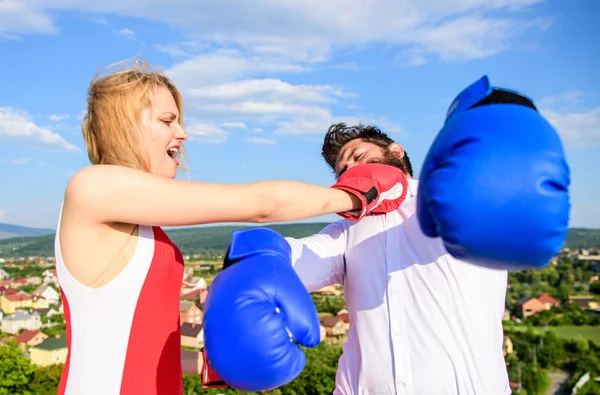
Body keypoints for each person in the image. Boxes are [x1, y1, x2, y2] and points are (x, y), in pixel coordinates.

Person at [53, 58, 408, 395]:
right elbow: (261, 206)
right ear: (125, 123)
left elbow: (129, 345)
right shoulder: (92, 187)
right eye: (167, 121)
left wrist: (216, 364)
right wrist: (358, 194)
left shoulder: (136, 223)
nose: (182, 133)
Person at [200, 76, 570, 394]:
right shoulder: (347, 231)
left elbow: (513, 213)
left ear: (396, 151)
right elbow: (295, 262)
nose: (350, 169)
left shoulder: (451, 196)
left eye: (358, 156)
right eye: (342, 170)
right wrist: (256, 259)